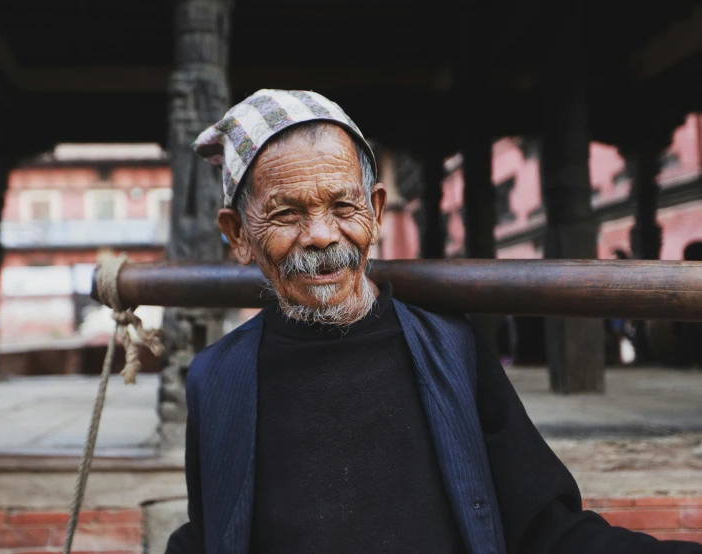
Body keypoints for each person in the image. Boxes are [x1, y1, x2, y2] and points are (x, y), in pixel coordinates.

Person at [166, 89, 702, 554]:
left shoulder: (451, 349)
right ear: (238, 234)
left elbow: (546, 534)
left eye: (343, 206)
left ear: (375, 210)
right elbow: (216, 532)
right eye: (287, 214)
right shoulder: (218, 379)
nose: (322, 235)